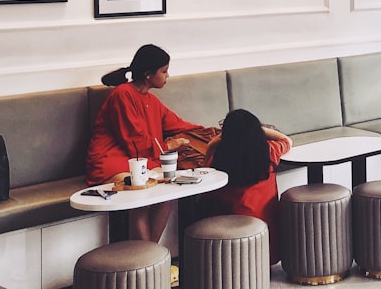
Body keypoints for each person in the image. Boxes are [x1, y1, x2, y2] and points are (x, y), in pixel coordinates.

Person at [86, 44, 197, 242]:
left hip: (140, 160)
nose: (167, 76)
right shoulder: (122, 94)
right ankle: (148, 259)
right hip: (111, 161)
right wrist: (169, 145)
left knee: (168, 192)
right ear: (148, 74)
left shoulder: (151, 101)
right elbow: (133, 141)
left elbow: (178, 123)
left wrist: (209, 131)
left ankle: (149, 256)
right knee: (142, 192)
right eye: (164, 71)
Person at [197, 109, 292, 263]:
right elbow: (287, 141)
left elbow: (205, 185)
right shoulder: (270, 151)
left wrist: (211, 146)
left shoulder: (219, 158)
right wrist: (258, 129)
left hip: (231, 245)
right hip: (268, 245)